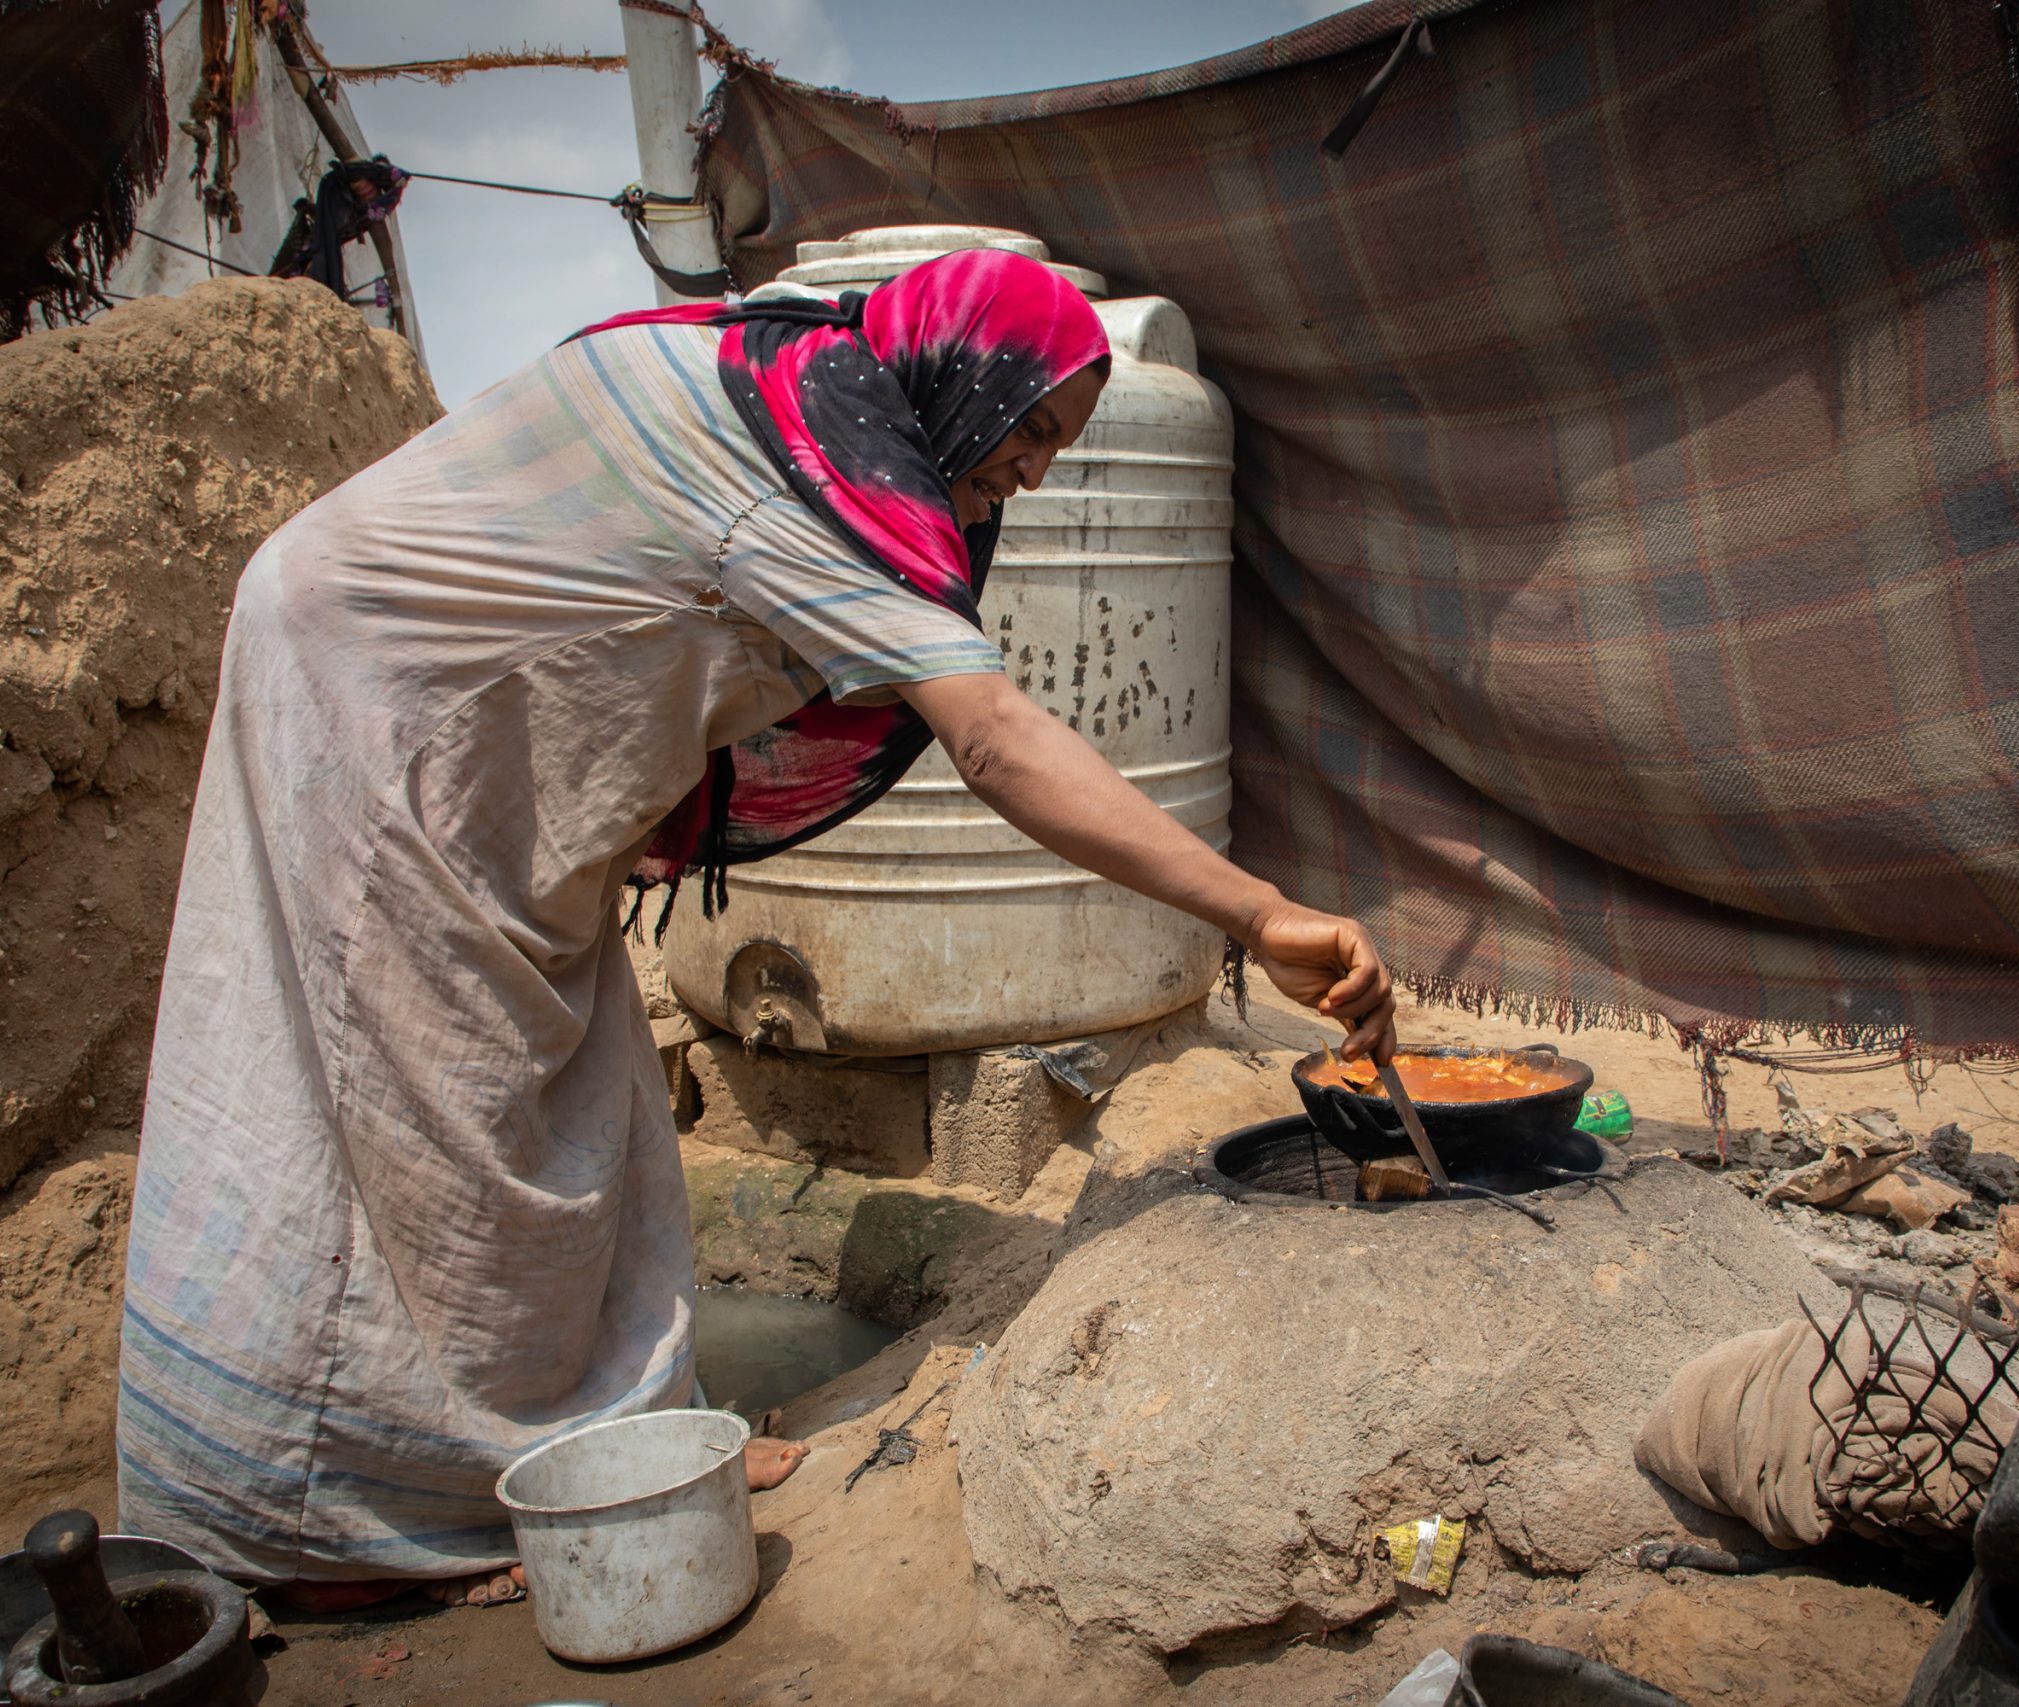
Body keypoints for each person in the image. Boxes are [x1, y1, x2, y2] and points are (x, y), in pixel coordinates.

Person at [117, 249, 1396, 1608]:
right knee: (436, 1109)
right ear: (963, 372)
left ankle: (624, 1441)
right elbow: (1002, 747)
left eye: (1059, 448)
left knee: (583, 1085)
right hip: (386, 710)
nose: (1033, 473)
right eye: (1028, 432)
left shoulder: (801, 374)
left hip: (480, 729)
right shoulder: (795, 477)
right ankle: (336, 1517)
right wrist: (1257, 913)